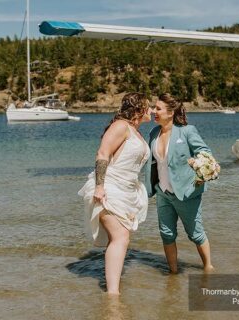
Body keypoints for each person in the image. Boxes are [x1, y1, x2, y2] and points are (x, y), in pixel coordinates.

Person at [78, 93, 152, 294]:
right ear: (139, 108)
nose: (152, 110)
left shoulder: (136, 132)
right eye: (149, 106)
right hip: (110, 186)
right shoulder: (121, 126)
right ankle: (113, 294)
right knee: (120, 237)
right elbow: (102, 153)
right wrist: (99, 187)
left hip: (126, 189)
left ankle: (113, 289)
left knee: (120, 238)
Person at [145, 93, 214, 273]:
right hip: (162, 192)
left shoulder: (187, 131)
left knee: (195, 234)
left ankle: (208, 268)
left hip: (186, 192)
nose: (154, 111)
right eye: (154, 108)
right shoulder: (153, 133)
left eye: (158, 108)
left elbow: (205, 153)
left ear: (170, 112)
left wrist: (200, 166)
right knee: (167, 234)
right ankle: (173, 274)